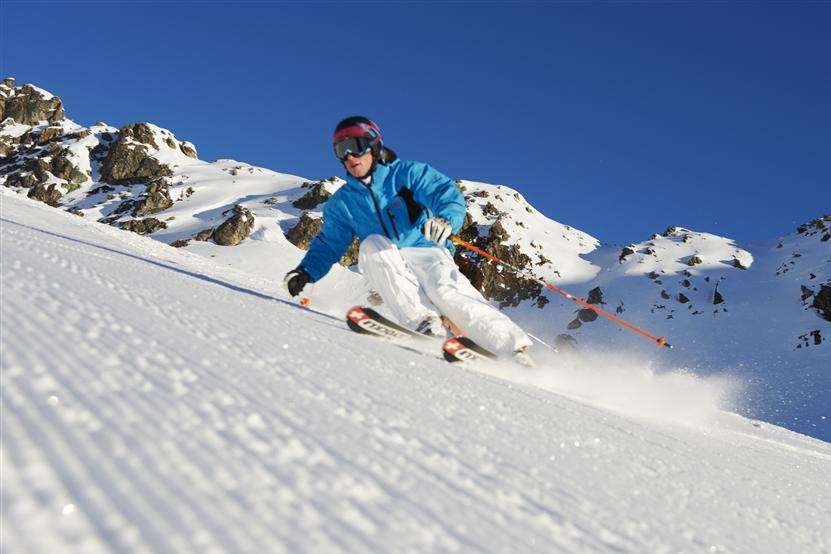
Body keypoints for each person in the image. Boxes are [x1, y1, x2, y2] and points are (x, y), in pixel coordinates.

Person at [284, 116, 532, 363]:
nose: (349, 156)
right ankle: (424, 323)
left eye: (354, 147)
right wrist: (306, 272)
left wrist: (446, 219)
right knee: (371, 246)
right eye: (341, 150)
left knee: (445, 290)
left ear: (373, 145)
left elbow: (444, 193)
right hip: (387, 258)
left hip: (426, 247)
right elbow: (330, 242)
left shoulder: (407, 174)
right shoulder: (344, 202)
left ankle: (513, 348)